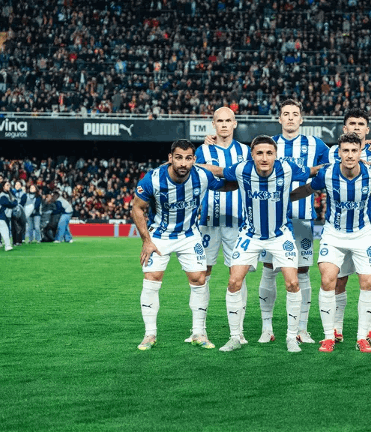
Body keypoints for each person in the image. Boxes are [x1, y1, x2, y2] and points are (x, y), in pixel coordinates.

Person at [199, 135, 324, 353]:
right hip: (250, 236)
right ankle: (235, 337)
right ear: (252, 155)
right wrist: (192, 164)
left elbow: (312, 171)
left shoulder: (287, 168)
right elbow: (218, 170)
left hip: (280, 235)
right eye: (259, 153)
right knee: (234, 282)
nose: (264, 158)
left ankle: (291, 337)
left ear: (275, 155)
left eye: (269, 153)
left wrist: (343, 163)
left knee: (293, 283)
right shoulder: (242, 169)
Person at [131, 139, 237, 351]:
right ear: (170, 158)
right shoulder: (153, 179)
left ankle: (198, 332)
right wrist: (146, 241)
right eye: (178, 157)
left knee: (199, 279)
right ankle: (149, 334)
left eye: (188, 158)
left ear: (194, 160)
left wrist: (247, 179)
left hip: (189, 235)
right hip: (159, 235)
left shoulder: (202, 176)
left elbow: (226, 184)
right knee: (152, 278)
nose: (183, 163)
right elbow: (137, 208)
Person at [291, 132, 371, 353]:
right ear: (339, 153)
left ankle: (362, 337)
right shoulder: (327, 173)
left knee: (368, 283)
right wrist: (285, 197)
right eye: (346, 151)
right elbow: (309, 188)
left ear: (360, 152)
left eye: (354, 150)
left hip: (363, 234)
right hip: (333, 234)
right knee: (328, 280)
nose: (350, 155)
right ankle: (328, 336)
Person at [258, 99, 329, 345]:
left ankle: (302, 329)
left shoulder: (316, 144)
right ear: (279, 118)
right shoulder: (268, 144)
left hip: (302, 218)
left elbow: (335, 161)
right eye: (285, 113)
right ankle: (267, 327)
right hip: (271, 219)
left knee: (302, 271)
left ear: (301, 119)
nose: (290, 117)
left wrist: (369, 145)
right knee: (269, 269)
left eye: (294, 114)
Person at [328, 109, 371, 346]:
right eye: (352, 123)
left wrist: (368, 183)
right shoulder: (332, 153)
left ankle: (370, 330)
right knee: (339, 279)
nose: (356, 127)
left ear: (367, 129)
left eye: (361, 124)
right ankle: (336, 328)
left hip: (369, 227)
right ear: (344, 128)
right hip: (338, 229)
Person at [187, 107, 252, 345]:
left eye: (228, 120)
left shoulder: (245, 151)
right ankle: (198, 329)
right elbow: (195, 175)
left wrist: (217, 172)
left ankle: (239, 330)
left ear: (235, 124)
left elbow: (247, 176)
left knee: (238, 276)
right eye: (219, 121)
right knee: (201, 274)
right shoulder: (202, 150)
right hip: (208, 221)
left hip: (238, 222)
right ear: (213, 125)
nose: (224, 124)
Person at [11, 180, 27, 246]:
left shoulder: (23, 194)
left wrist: (15, 205)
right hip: (13, 211)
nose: (17, 186)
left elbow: (22, 203)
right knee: (13, 227)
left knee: (19, 226)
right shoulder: (12, 193)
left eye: (18, 185)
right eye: (16, 184)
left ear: (21, 186)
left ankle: (19, 240)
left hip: (20, 211)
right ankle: (14, 241)